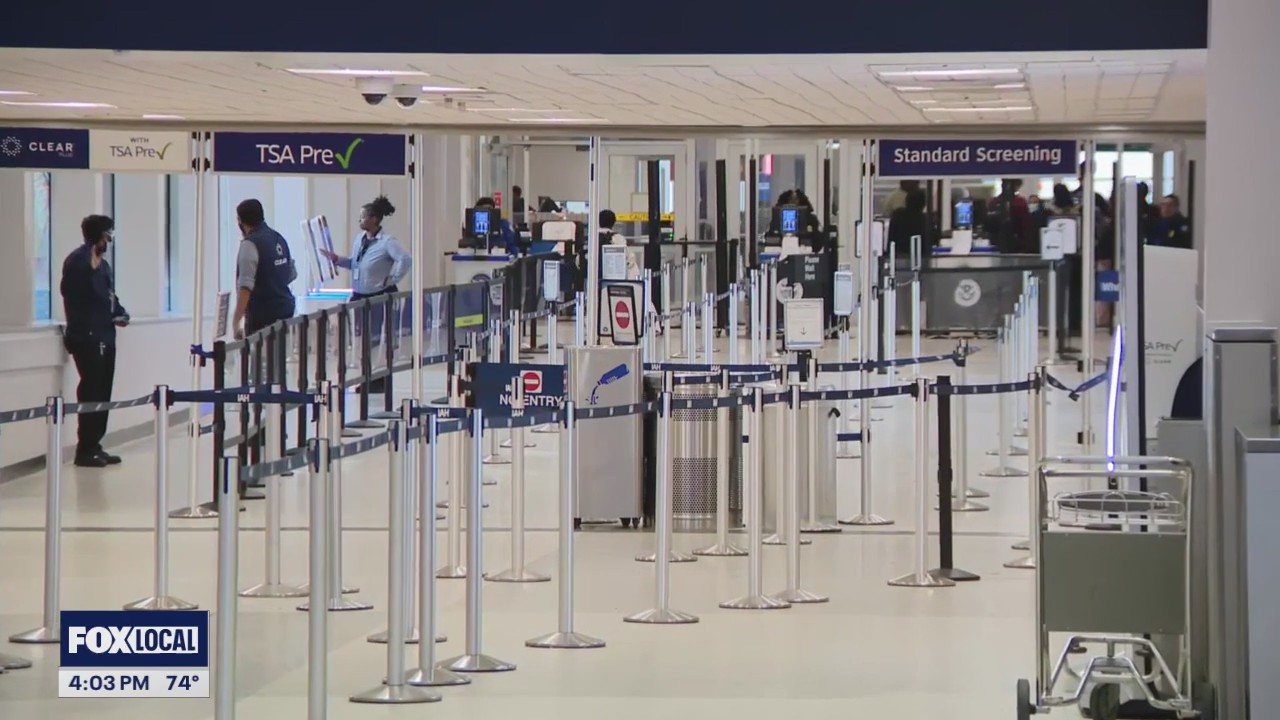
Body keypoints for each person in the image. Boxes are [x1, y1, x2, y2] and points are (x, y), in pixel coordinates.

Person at [320, 196, 411, 393]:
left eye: (363, 217)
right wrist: (337, 260)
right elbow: (355, 263)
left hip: (378, 296)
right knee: (362, 341)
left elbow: (405, 258)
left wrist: (393, 278)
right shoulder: (360, 240)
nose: (359, 220)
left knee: (378, 340)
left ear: (375, 219)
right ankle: (367, 377)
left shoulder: (387, 242)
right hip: (360, 295)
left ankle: (380, 379)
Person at [60, 215, 129, 468]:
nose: (109, 240)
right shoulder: (78, 262)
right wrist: (91, 261)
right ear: (98, 236)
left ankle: (95, 444)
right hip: (86, 337)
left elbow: (110, 296)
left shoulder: (104, 266)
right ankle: (84, 448)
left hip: (105, 334)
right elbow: (72, 293)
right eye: (107, 235)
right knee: (90, 390)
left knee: (103, 391)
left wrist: (119, 312)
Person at [232, 199, 297, 340]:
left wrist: (236, 321)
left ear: (241, 221)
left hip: (262, 318)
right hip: (285, 311)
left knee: (259, 360)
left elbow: (245, 288)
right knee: (279, 358)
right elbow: (292, 274)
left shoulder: (249, 245)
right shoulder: (278, 238)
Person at [984, 179, 1034, 253]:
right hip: (1016, 244)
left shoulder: (994, 202)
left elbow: (988, 225)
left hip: (997, 243)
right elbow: (1026, 226)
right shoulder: (1019, 202)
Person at [887, 188, 931, 258]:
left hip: (898, 256)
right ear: (923, 204)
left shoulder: (898, 215)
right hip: (921, 257)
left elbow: (891, 239)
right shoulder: (924, 220)